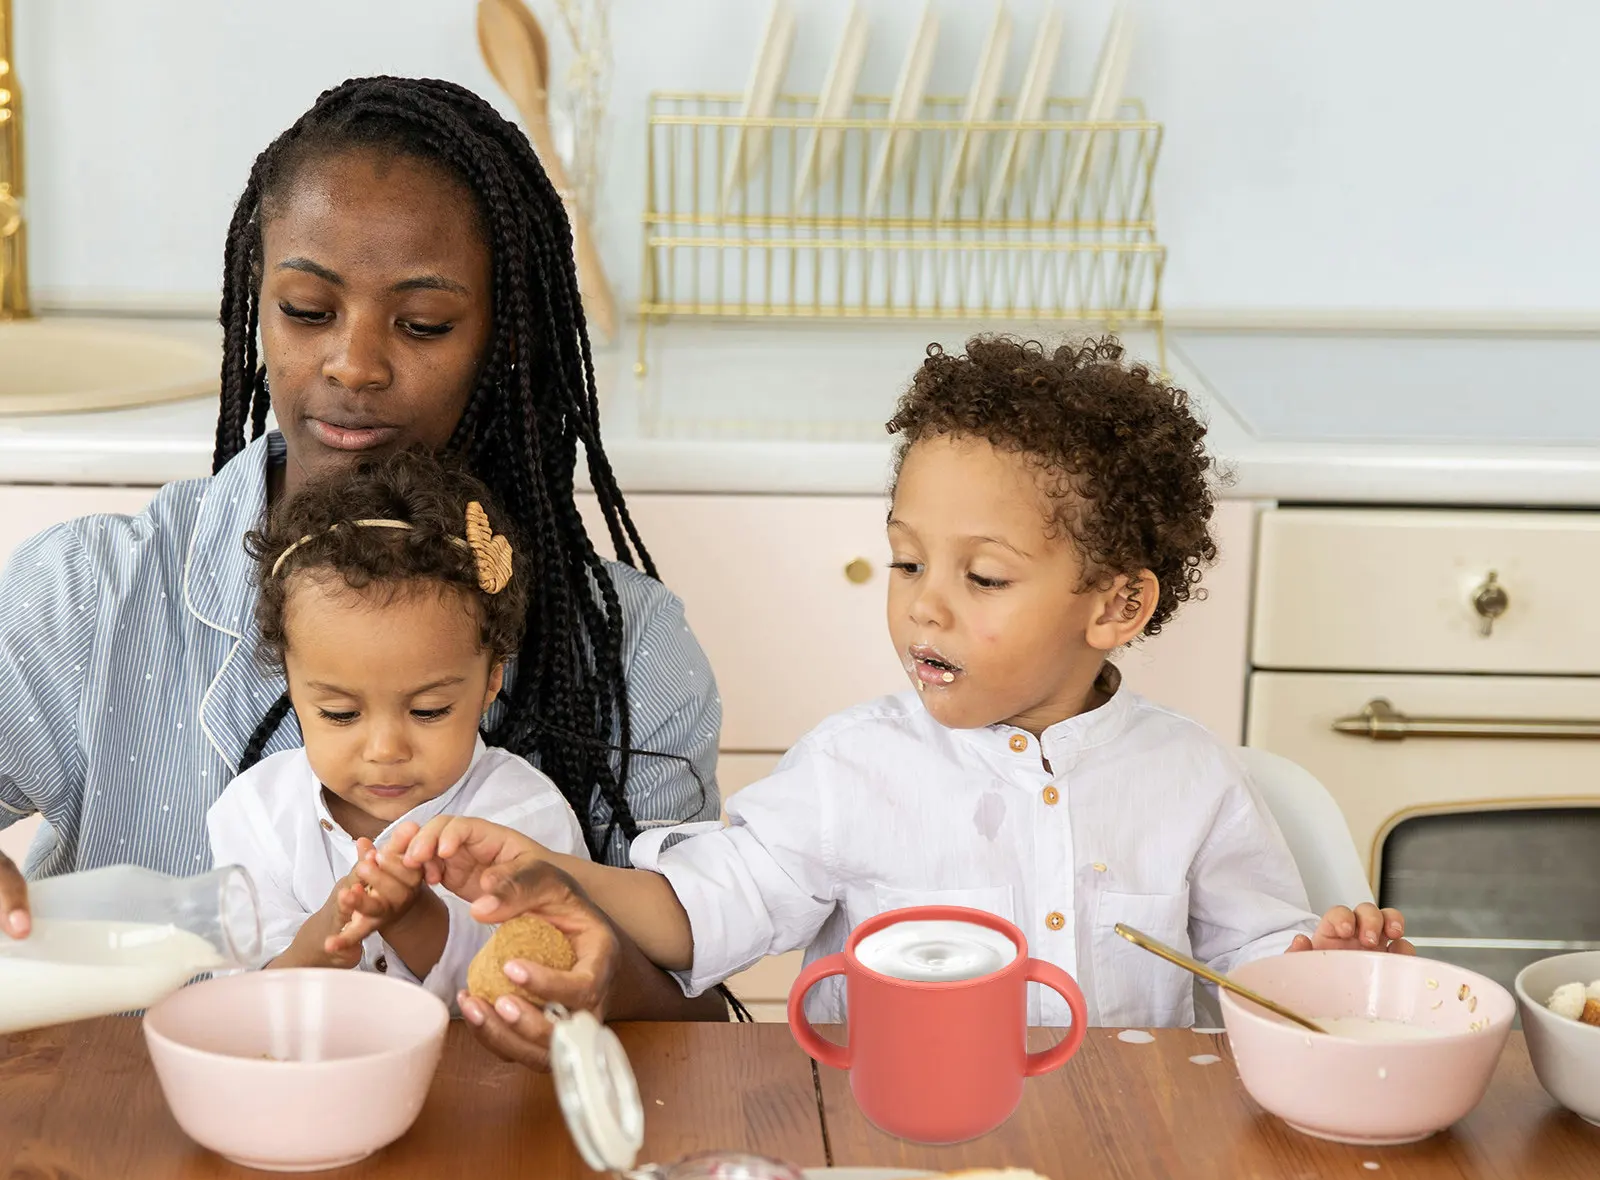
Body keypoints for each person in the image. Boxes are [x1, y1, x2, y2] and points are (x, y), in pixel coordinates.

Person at [0, 76, 727, 1061]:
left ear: (503, 341)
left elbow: (700, 1012)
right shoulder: (92, 594)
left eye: (422, 324)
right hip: (126, 1163)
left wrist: (612, 982)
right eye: (306, 310)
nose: (352, 364)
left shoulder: (630, 653)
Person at [407, 336, 1413, 1029]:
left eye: (980, 577)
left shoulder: (1193, 779)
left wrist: (1321, 967)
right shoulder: (855, 767)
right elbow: (698, 908)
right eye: (906, 562)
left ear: (1113, 606)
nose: (924, 606)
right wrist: (558, 871)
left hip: (1125, 1156)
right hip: (888, 1149)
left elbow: (1255, 972)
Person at [207, 448, 592, 1005]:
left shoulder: (525, 817)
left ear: (490, 682)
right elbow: (241, 1004)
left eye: (429, 710)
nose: (386, 750)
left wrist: (415, 918)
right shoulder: (257, 813)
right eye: (340, 714)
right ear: (291, 684)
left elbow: (539, 984)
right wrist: (323, 941)